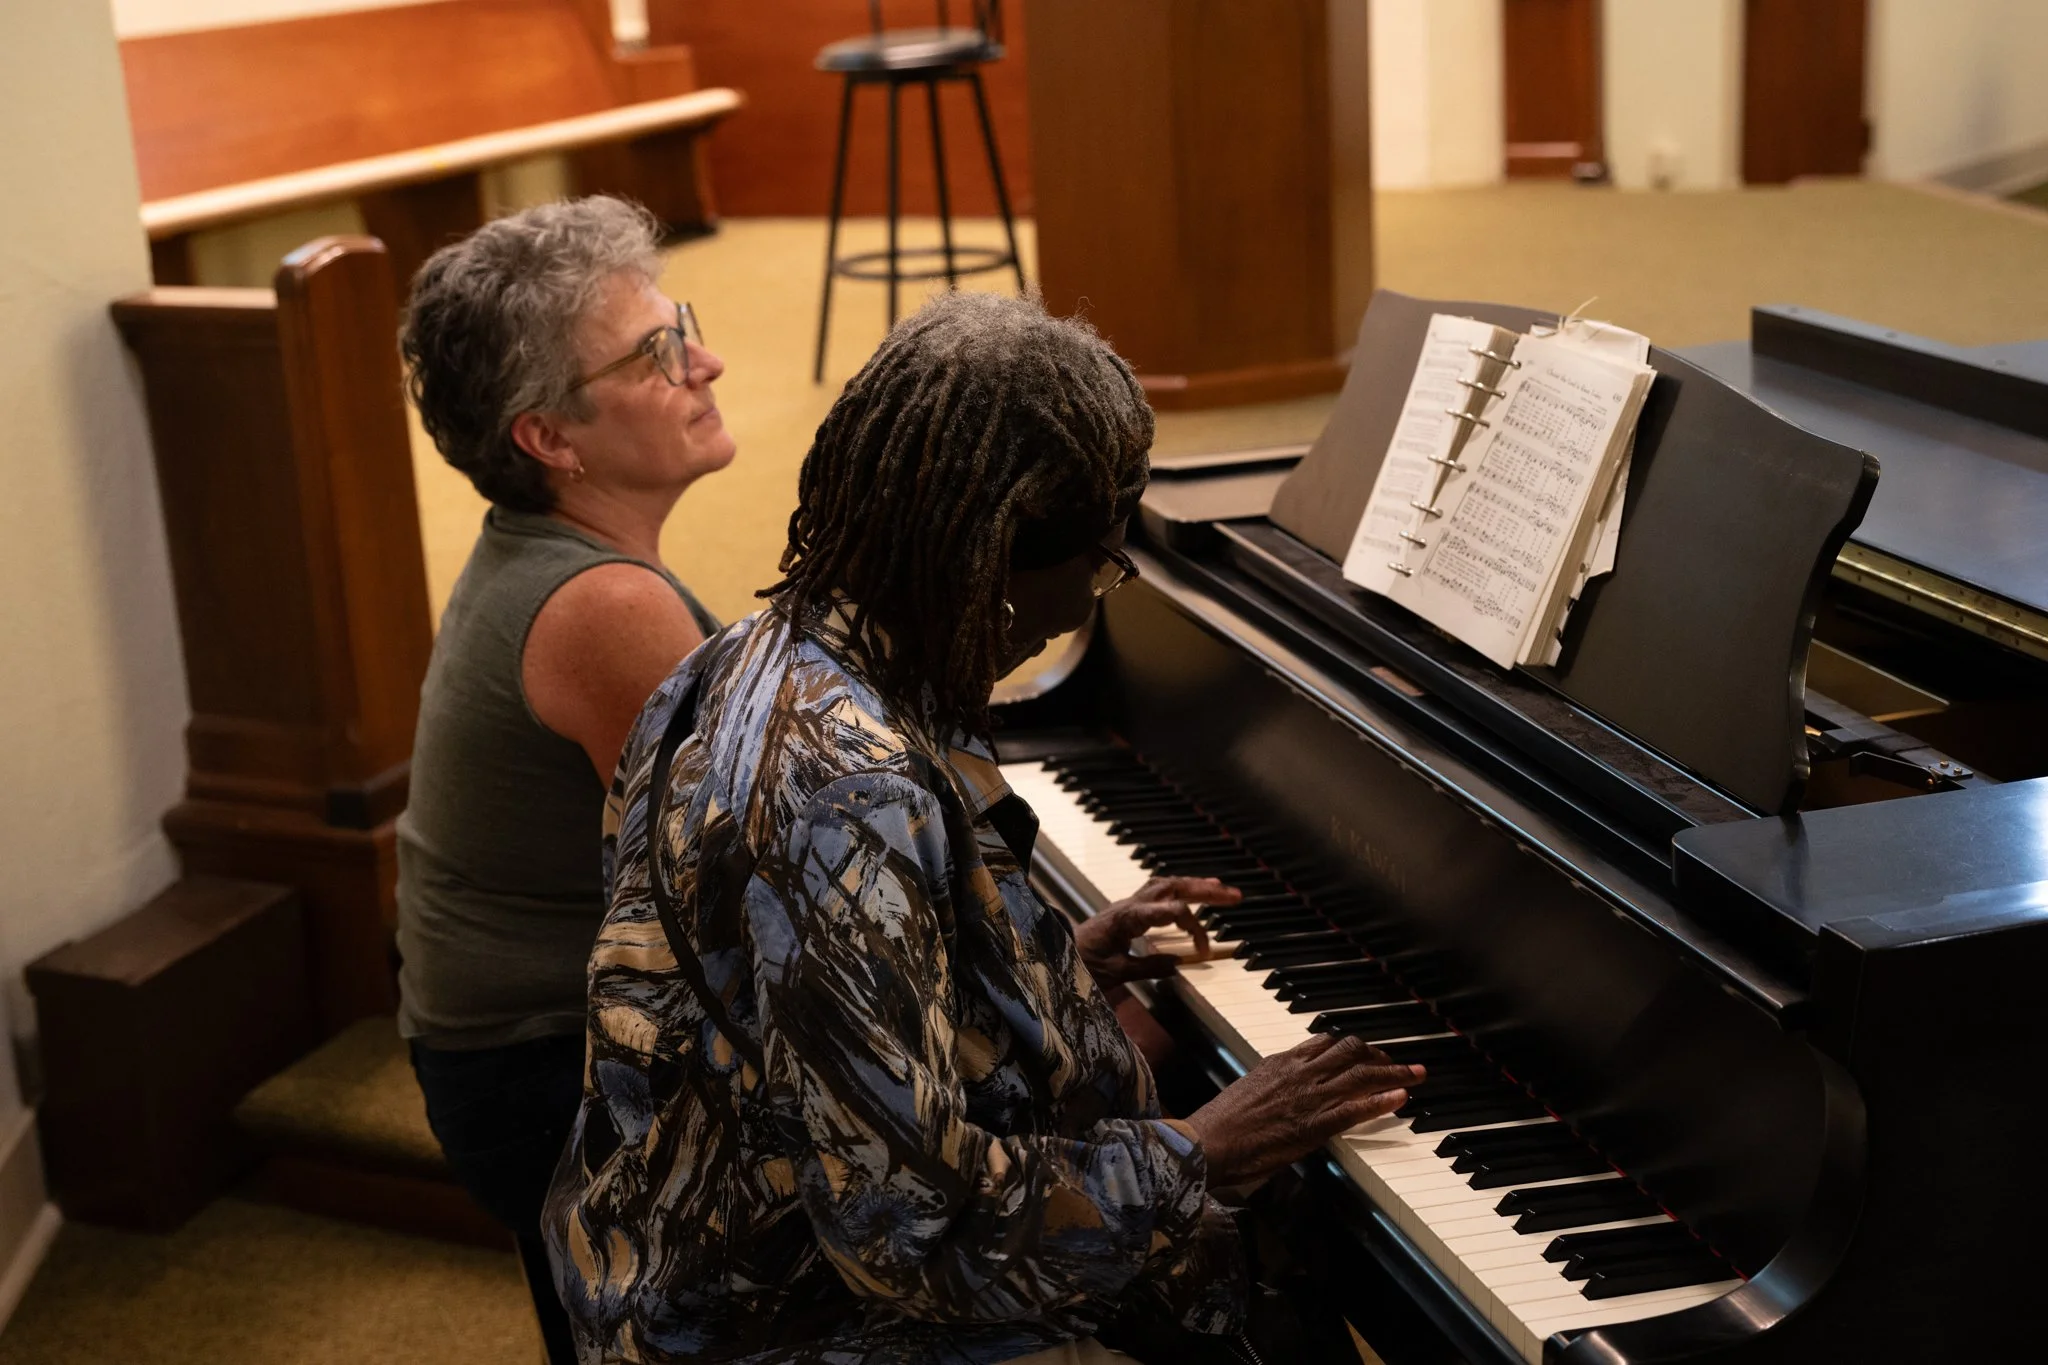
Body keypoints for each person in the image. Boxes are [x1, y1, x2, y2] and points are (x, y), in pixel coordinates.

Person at [545, 291, 1419, 1364]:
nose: (1082, 606)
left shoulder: (759, 648)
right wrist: (1199, 1152)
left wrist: (1037, 968)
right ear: (989, 561)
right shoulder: (845, 794)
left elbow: (790, 1005)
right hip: (777, 1317)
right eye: (1094, 566)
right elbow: (913, 1240)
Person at [394, 196, 734, 1363]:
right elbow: (766, 891)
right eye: (655, 353)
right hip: (546, 1084)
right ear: (552, 438)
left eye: (677, 323)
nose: (707, 360)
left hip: (533, 1048)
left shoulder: (562, 555)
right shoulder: (606, 608)